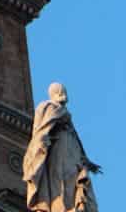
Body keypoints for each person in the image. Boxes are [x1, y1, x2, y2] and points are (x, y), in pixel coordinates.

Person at [23, 83, 101, 212]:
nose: (64, 95)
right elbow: (41, 131)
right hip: (59, 151)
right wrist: (40, 147)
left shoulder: (65, 117)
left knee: (74, 183)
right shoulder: (47, 107)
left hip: (72, 155)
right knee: (60, 183)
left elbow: (77, 141)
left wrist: (87, 161)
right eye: (61, 91)